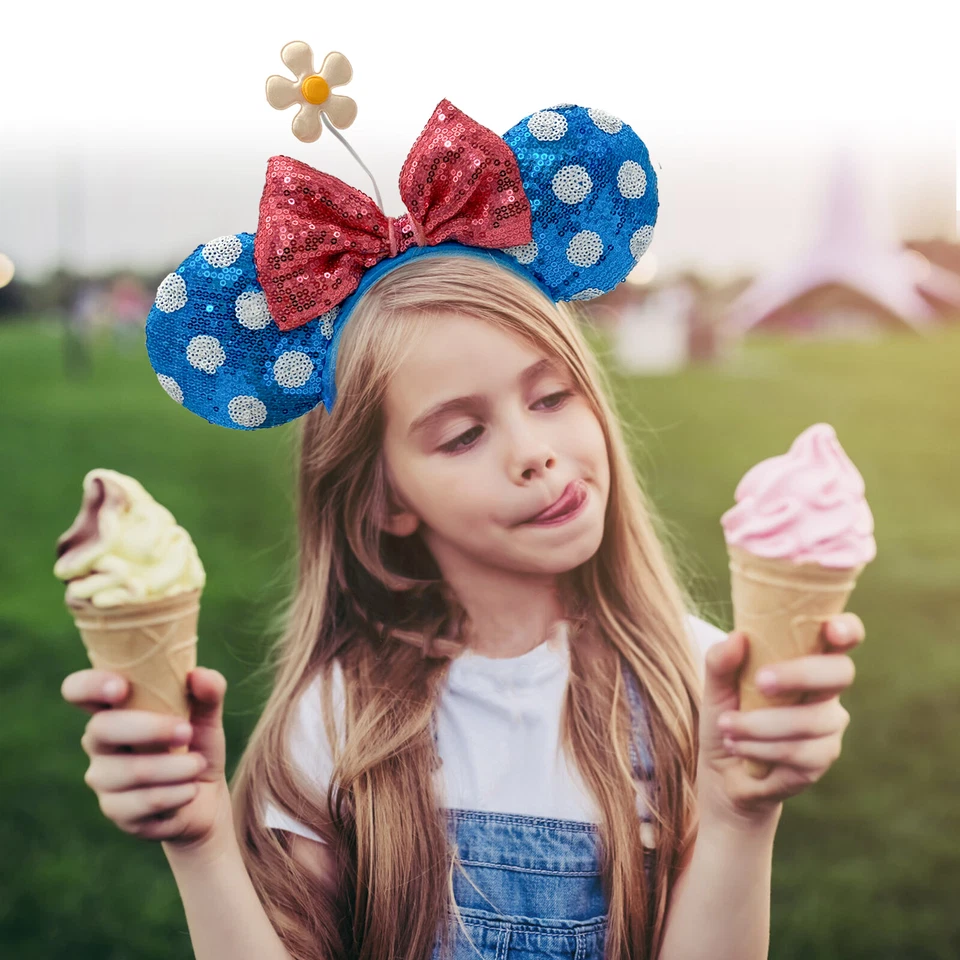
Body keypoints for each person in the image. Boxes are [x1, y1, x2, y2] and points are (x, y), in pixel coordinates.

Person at [60, 64, 866, 960]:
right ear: (386, 501)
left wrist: (739, 816)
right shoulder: (336, 725)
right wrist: (201, 842)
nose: (533, 450)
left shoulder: (701, 684)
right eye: (462, 435)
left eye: (552, 395)